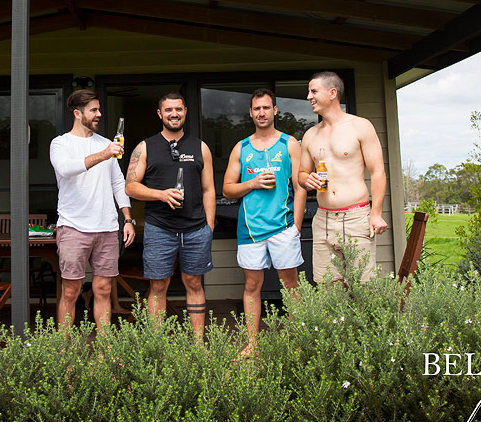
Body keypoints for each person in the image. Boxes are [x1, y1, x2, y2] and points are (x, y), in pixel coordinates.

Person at [125, 91, 216, 340]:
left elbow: (209, 190)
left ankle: (198, 344)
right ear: (160, 114)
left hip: (196, 229)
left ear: (185, 111)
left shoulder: (200, 147)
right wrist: (161, 195)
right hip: (159, 228)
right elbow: (130, 186)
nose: (174, 114)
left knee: (194, 283)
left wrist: (209, 226)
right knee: (158, 285)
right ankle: (157, 344)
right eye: (168, 110)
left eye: (178, 109)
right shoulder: (145, 147)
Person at [221, 88, 305, 355]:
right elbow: (227, 189)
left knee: (291, 286)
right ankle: (252, 344)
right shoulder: (241, 147)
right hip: (251, 230)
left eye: (266, 108)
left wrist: (297, 226)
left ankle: (296, 343)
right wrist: (253, 183)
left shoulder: (289, 143)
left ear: (275, 110)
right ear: (250, 113)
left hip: (283, 226)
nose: (261, 113)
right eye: (257, 109)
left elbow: (301, 187)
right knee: (251, 286)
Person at [49, 89, 136, 331]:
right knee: (70, 291)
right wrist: (104, 154)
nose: (99, 114)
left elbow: (118, 183)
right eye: (94, 110)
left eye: (99, 109)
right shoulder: (61, 143)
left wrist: (128, 218)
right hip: (73, 227)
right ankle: (64, 349)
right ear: (77, 113)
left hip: (107, 227)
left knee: (104, 289)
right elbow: (66, 169)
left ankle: (105, 349)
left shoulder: (106, 143)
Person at [298, 71, 387, 284]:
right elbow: (301, 174)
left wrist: (376, 214)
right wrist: (306, 179)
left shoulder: (360, 126)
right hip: (323, 219)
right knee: (328, 287)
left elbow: (378, 173)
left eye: (313, 91)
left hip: (356, 218)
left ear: (332, 93)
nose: (308, 96)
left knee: (364, 288)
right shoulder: (310, 135)